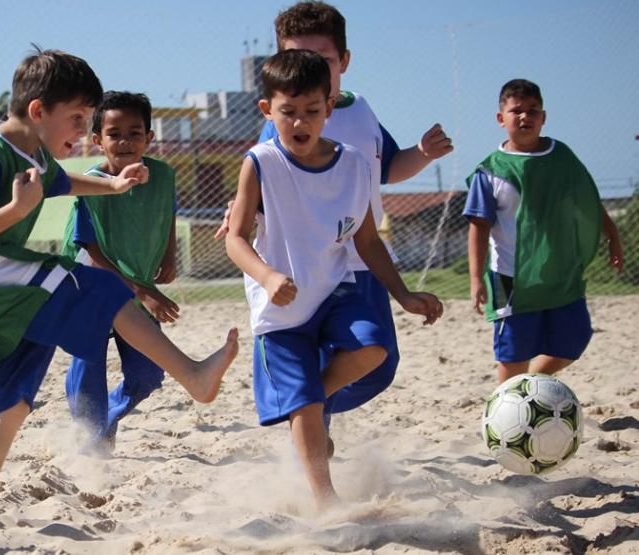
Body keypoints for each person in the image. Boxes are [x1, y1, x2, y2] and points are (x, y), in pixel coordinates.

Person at [0, 49, 238, 536]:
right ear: (37, 112)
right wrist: (17, 208)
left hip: (0, 288)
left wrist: (112, 186)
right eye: (77, 120)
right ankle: (193, 375)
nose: (81, 131)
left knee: (14, 403)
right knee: (97, 284)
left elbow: (62, 182)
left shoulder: (31, 153)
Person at [216, 1, 453, 432]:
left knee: (378, 363)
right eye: (297, 57)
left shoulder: (361, 110)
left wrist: (421, 154)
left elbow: (387, 167)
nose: (308, 68)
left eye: (321, 60)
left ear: (343, 60)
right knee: (310, 357)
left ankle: (313, 405)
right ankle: (310, 421)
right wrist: (238, 212)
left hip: (362, 255)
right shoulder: (282, 120)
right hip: (309, 265)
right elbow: (262, 175)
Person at [226, 49, 442, 509]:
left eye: (311, 111)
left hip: (332, 293)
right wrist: (266, 276)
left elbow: (367, 241)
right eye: (288, 112)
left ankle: (313, 397)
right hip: (280, 311)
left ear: (329, 108)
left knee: (373, 348)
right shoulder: (259, 163)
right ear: (268, 111)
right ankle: (326, 500)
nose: (300, 122)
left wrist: (402, 294)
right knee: (303, 408)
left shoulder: (355, 165)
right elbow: (235, 239)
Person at [464, 78, 623, 384]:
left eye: (533, 110)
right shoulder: (490, 170)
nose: (525, 116)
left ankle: (529, 387)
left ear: (544, 117)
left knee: (574, 341)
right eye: (516, 110)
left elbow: (587, 201)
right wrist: (474, 278)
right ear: (501, 118)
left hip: (559, 275)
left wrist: (613, 236)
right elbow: (478, 226)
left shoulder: (561, 156)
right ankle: (506, 410)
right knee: (513, 356)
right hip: (508, 278)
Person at [61, 91, 179, 451]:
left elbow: (168, 213)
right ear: (97, 140)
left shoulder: (162, 175)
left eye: (134, 132)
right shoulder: (91, 185)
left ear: (149, 137)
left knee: (148, 375)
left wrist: (170, 257)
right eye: (114, 133)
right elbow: (91, 253)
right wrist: (145, 292)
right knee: (88, 367)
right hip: (90, 287)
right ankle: (90, 441)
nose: (125, 141)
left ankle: (106, 420)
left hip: (138, 285)